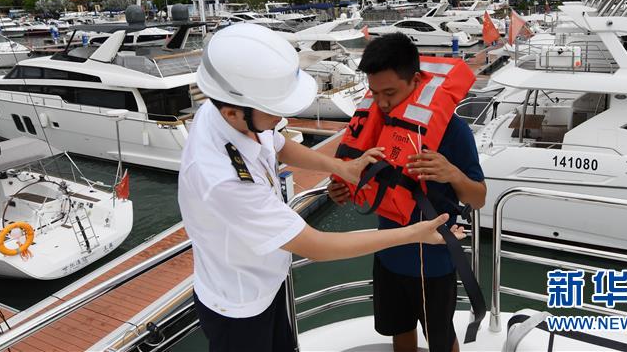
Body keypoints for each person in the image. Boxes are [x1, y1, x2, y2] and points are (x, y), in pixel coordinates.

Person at [178, 24, 465, 352]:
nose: (282, 117)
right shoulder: (222, 179)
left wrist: (342, 167)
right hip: (239, 306)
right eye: (275, 111)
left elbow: (278, 145)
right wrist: (414, 234)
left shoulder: (229, 112)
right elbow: (316, 246)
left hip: (267, 285)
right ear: (233, 112)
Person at [328, 33, 486, 352]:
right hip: (388, 253)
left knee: (441, 340)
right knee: (399, 331)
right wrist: (342, 189)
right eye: (374, 93)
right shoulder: (377, 122)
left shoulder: (453, 131)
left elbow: (478, 197)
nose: (383, 103)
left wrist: (451, 172)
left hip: (433, 260)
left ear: (415, 80)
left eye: (390, 92)